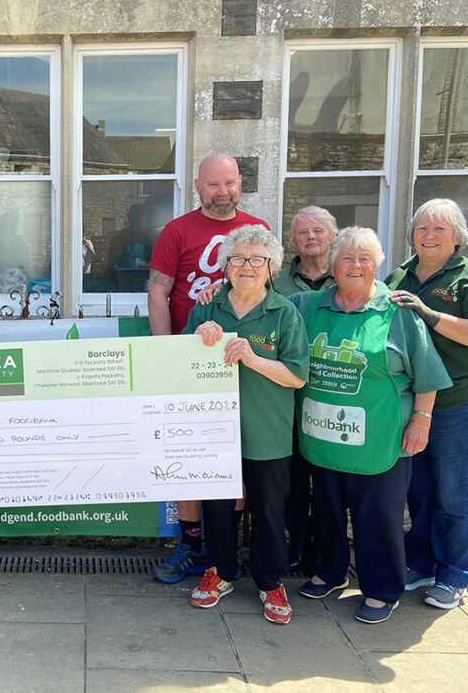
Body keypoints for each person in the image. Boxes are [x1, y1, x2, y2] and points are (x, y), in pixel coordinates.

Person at [289, 227, 450, 624]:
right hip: (322, 433)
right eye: (346, 258)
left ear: (378, 266)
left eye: (365, 258)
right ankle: (330, 571)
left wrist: (421, 421)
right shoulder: (307, 305)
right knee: (326, 511)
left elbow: (427, 376)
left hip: (381, 436)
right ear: (331, 265)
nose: (355, 265)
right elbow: (258, 307)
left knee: (377, 517)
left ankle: (382, 589)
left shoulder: (398, 313)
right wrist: (214, 295)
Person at [147, 152, 269, 583]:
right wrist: (166, 353)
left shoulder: (257, 231)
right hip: (189, 364)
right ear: (197, 187)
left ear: (240, 184)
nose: (223, 192)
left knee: (231, 459)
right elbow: (158, 291)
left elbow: (268, 292)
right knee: (186, 456)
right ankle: (190, 544)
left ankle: (224, 545)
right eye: (213, 185)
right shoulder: (178, 231)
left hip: (245, 364)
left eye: (230, 183)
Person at [185, 226, 309, 624]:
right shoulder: (205, 308)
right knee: (217, 507)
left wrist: (253, 359)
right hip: (214, 431)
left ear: (271, 267)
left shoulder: (284, 312)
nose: (247, 267)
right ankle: (220, 572)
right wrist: (195, 340)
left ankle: (269, 579)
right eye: (238, 259)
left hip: (268, 429)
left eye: (257, 260)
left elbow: (297, 376)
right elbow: (177, 367)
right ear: (225, 265)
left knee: (270, 509)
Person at [386, 198, 468, 610]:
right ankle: (420, 562)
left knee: (454, 493)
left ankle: (455, 573)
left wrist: (431, 315)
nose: (429, 236)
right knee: (418, 490)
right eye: (422, 229)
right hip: (409, 400)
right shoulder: (400, 273)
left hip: (458, 401)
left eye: (439, 229)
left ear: (457, 236)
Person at [275, 206, 338, 571]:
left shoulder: (348, 275)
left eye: (318, 231)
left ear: (332, 236)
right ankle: (297, 543)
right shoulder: (276, 282)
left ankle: (325, 547)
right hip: (290, 396)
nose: (311, 238)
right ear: (293, 240)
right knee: (294, 480)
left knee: (329, 480)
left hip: (335, 394)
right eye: (303, 233)